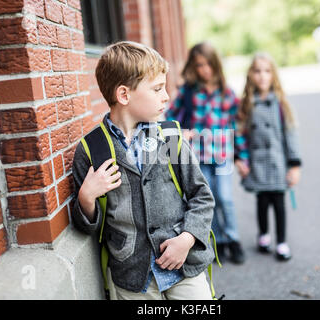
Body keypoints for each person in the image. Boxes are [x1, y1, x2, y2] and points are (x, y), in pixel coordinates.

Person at [71, 41, 216, 299]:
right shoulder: (93, 150)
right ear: (124, 95)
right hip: (132, 276)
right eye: (157, 89)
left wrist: (188, 238)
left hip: (183, 265)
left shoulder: (170, 137)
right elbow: (90, 227)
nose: (166, 96)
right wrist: (86, 198)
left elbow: (202, 196)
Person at [165, 42, 249, 264]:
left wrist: (241, 157)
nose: (204, 70)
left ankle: (233, 239)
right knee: (206, 199)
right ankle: (217, 239)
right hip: (199, 157)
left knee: (225, 198)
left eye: (208, 64)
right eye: (199, 65)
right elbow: (169, 117)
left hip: (223, 157)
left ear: (216, 64)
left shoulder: (227, 93)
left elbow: (236, 126)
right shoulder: (188, 91)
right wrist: (179, 132)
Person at [237, 52, 302, 261]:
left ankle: (282, 242)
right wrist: (240, 159)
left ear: (273, 75)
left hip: (277, 163)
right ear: (250, 75)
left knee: (279, 202)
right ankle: (264, 235)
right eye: (257, 71)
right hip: (256, 163)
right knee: (262, 201)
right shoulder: (247, 105)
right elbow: (240, 135)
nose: (262, 76)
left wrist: (294, 165)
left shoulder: (281, 104)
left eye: (267, 71)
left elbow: (290, 134)